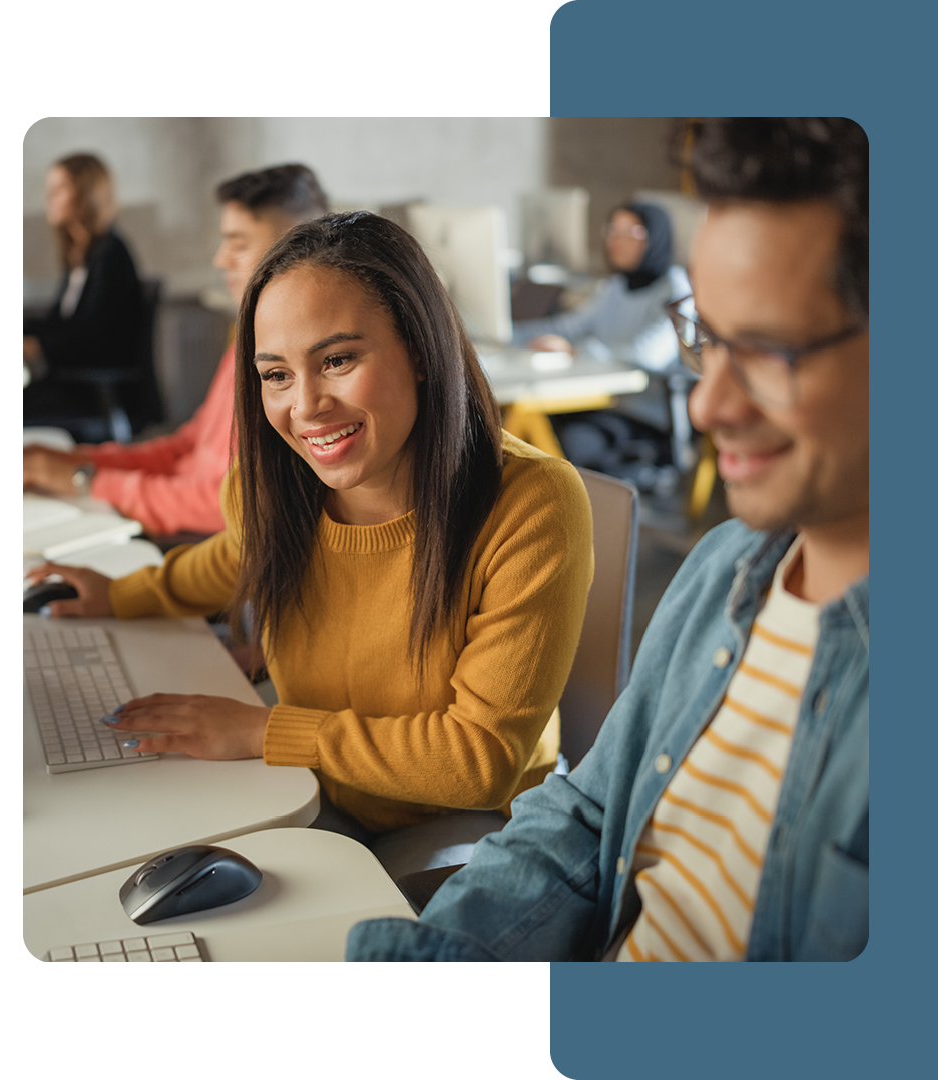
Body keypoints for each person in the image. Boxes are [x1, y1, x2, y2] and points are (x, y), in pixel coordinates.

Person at [346, 116, 869, 961]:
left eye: (769, 350)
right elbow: (589, 812)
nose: (707, 405)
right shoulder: (726, 568)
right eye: (712, 336)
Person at [26, 211, 595, 879]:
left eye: (338, 360)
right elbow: (234, 557)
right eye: (276, 375)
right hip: (312, 783)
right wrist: (119, 594)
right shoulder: (278, 480)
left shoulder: (531, 504)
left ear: (419, 349)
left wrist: (260, 731)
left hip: (463, 823)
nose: (306, 407)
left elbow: (477, 759)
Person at [23, 164, 329, 538]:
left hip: (201, 544)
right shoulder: (246, 340)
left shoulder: (292, 372)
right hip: (179, 519)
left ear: (298, 248)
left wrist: (86, 479)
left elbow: (221, 506)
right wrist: (82, 461)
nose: (220, 259)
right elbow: (189, 447)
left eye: (238, 243)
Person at [23, 153, 144, 423]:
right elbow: (58, 323)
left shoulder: (111, 254)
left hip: (94, 390)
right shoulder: (80, 256)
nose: (48, 198)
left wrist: (36, 346)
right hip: (74, 381)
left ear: (86, 194)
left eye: (59, 189)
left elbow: (93, 338)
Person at [513, 201, 690, 369]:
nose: (616, 241)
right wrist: (507, 334)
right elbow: (570, 326)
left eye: (629, 232)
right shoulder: (616, 285)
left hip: (648, 397)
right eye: (613, 231)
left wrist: (574, 351)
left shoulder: (676, 289)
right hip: (608, 389)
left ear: (656, 237)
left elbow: (648, 354)